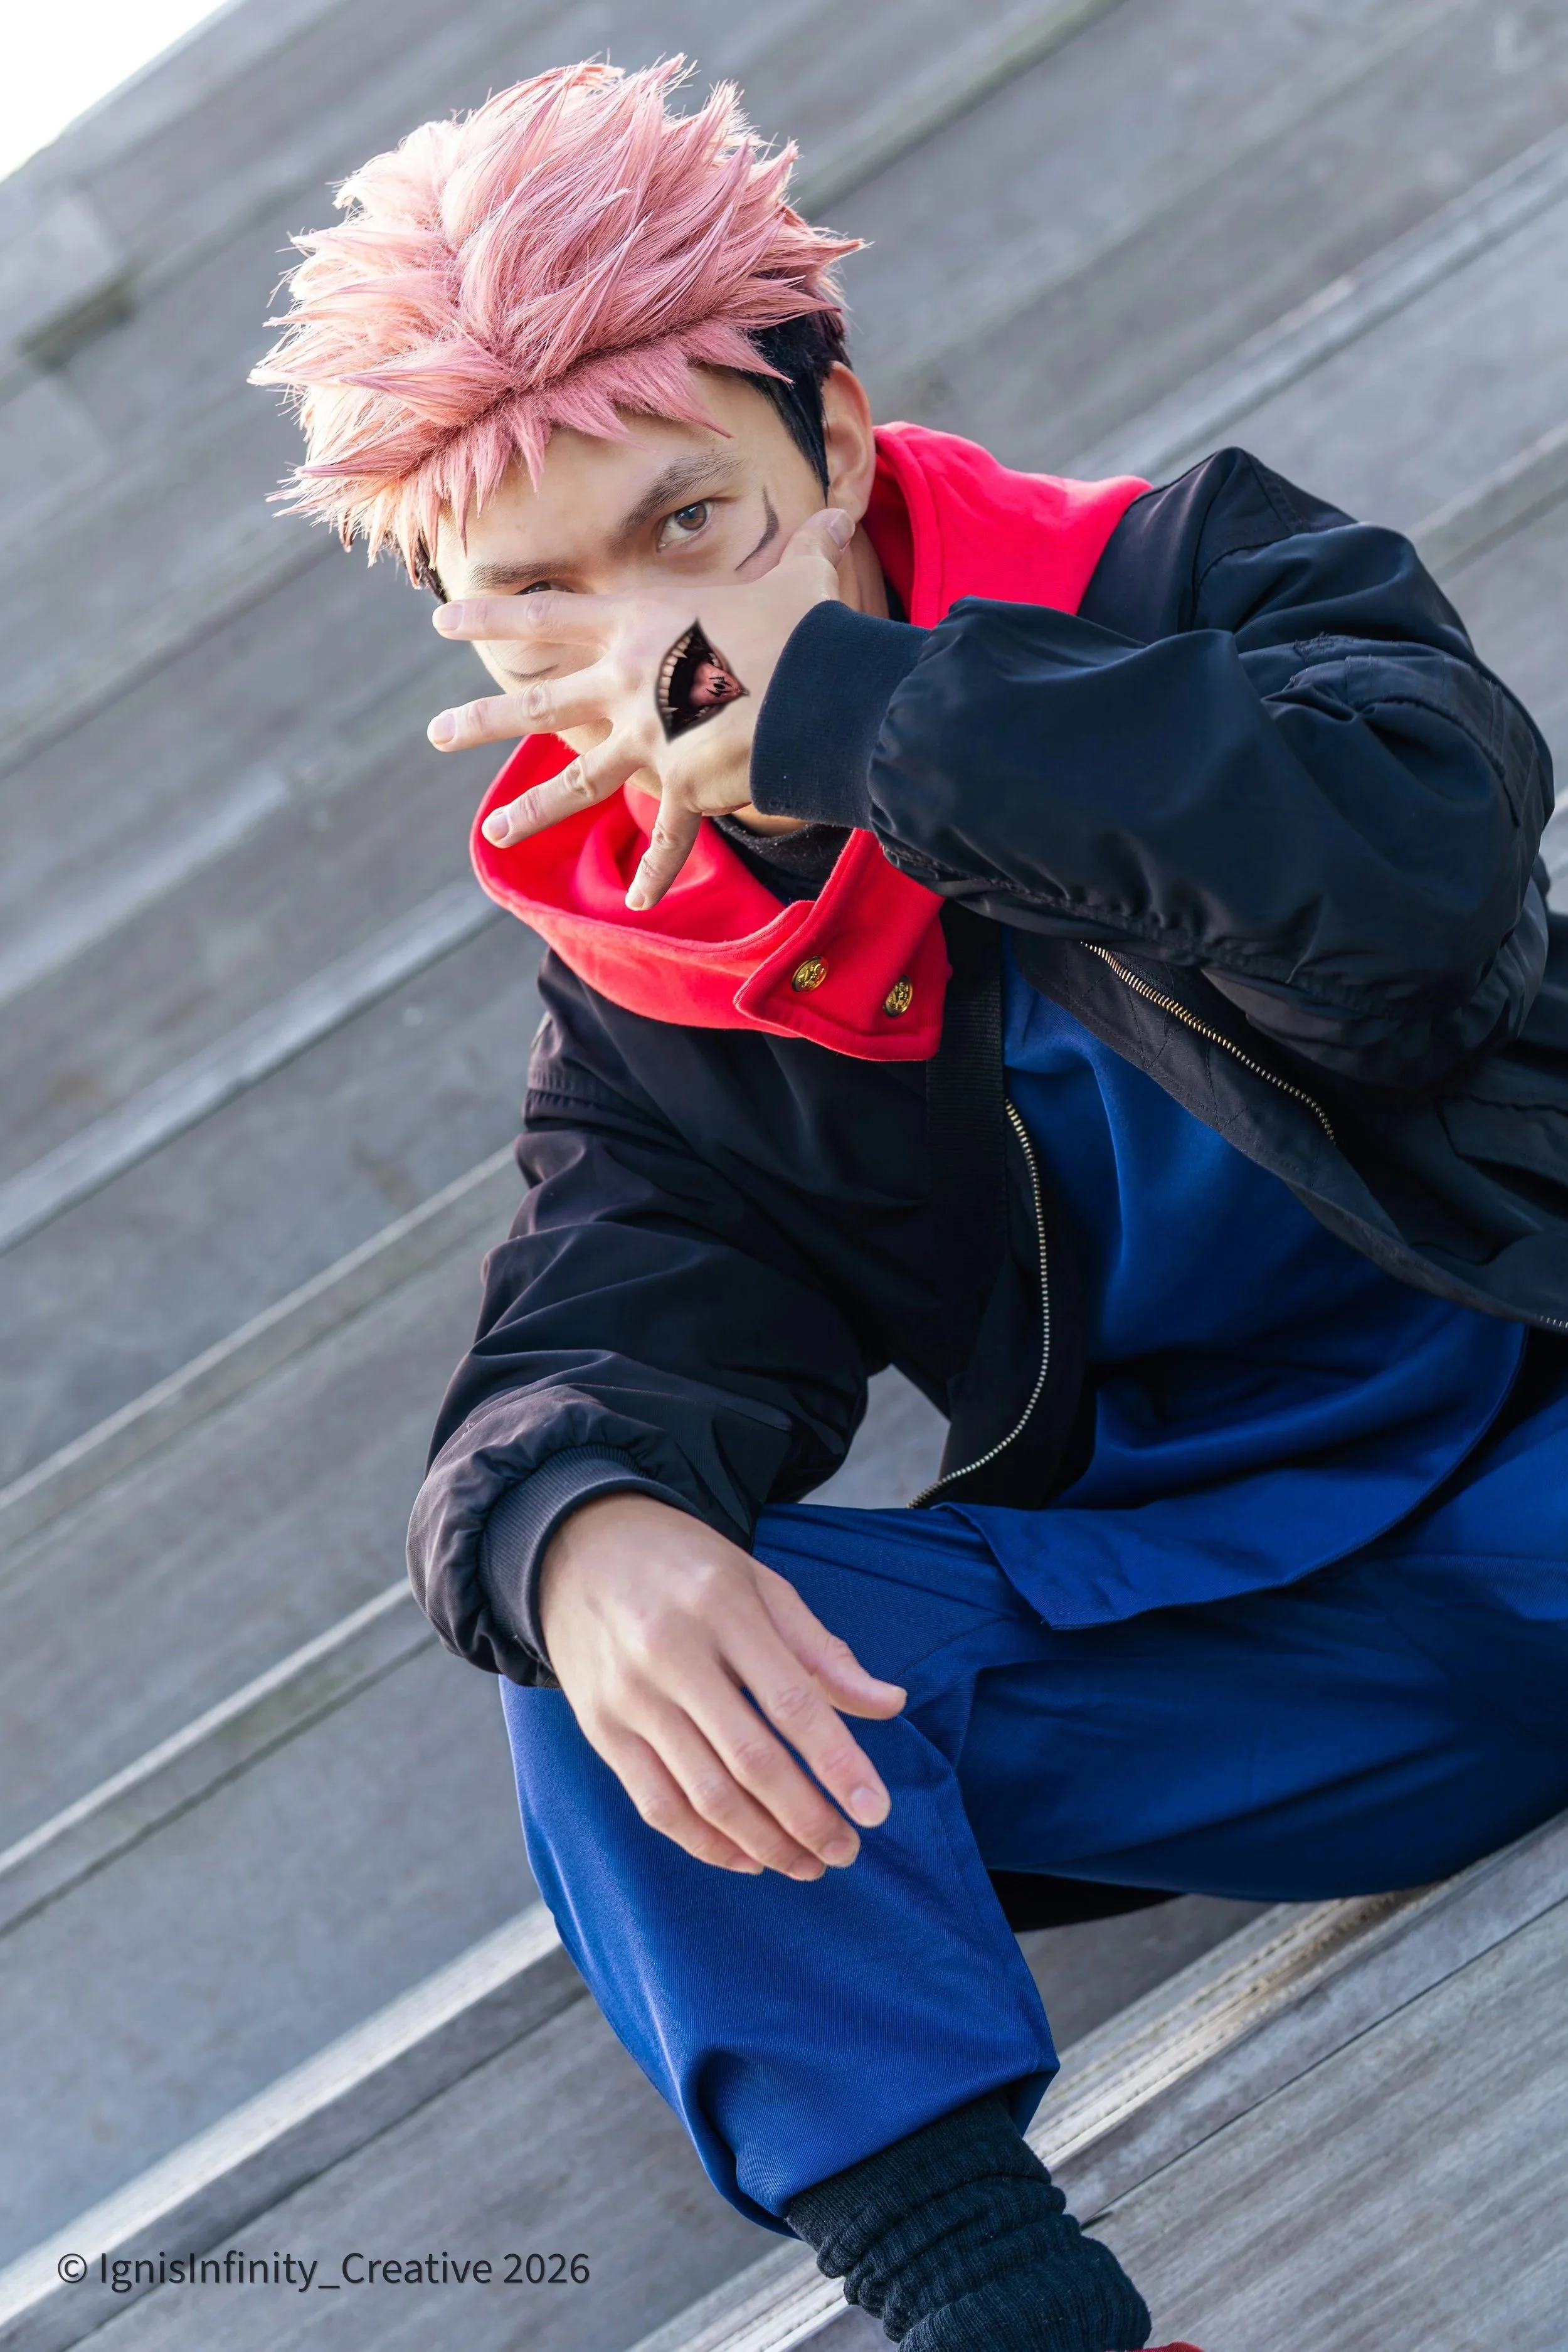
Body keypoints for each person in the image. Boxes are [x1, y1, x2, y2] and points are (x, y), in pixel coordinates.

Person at [253, 58, 1568, 2352]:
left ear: (835, 444)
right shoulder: (663, 992)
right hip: (1293, 1651)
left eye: (692, 524)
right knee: (608, 1642)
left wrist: (867, 716)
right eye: (534, 592)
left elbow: (1409, 895)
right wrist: (575, 1525)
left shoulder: (1196, 580)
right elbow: (595, 1332)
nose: (644, 635)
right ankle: (1011, 2324)